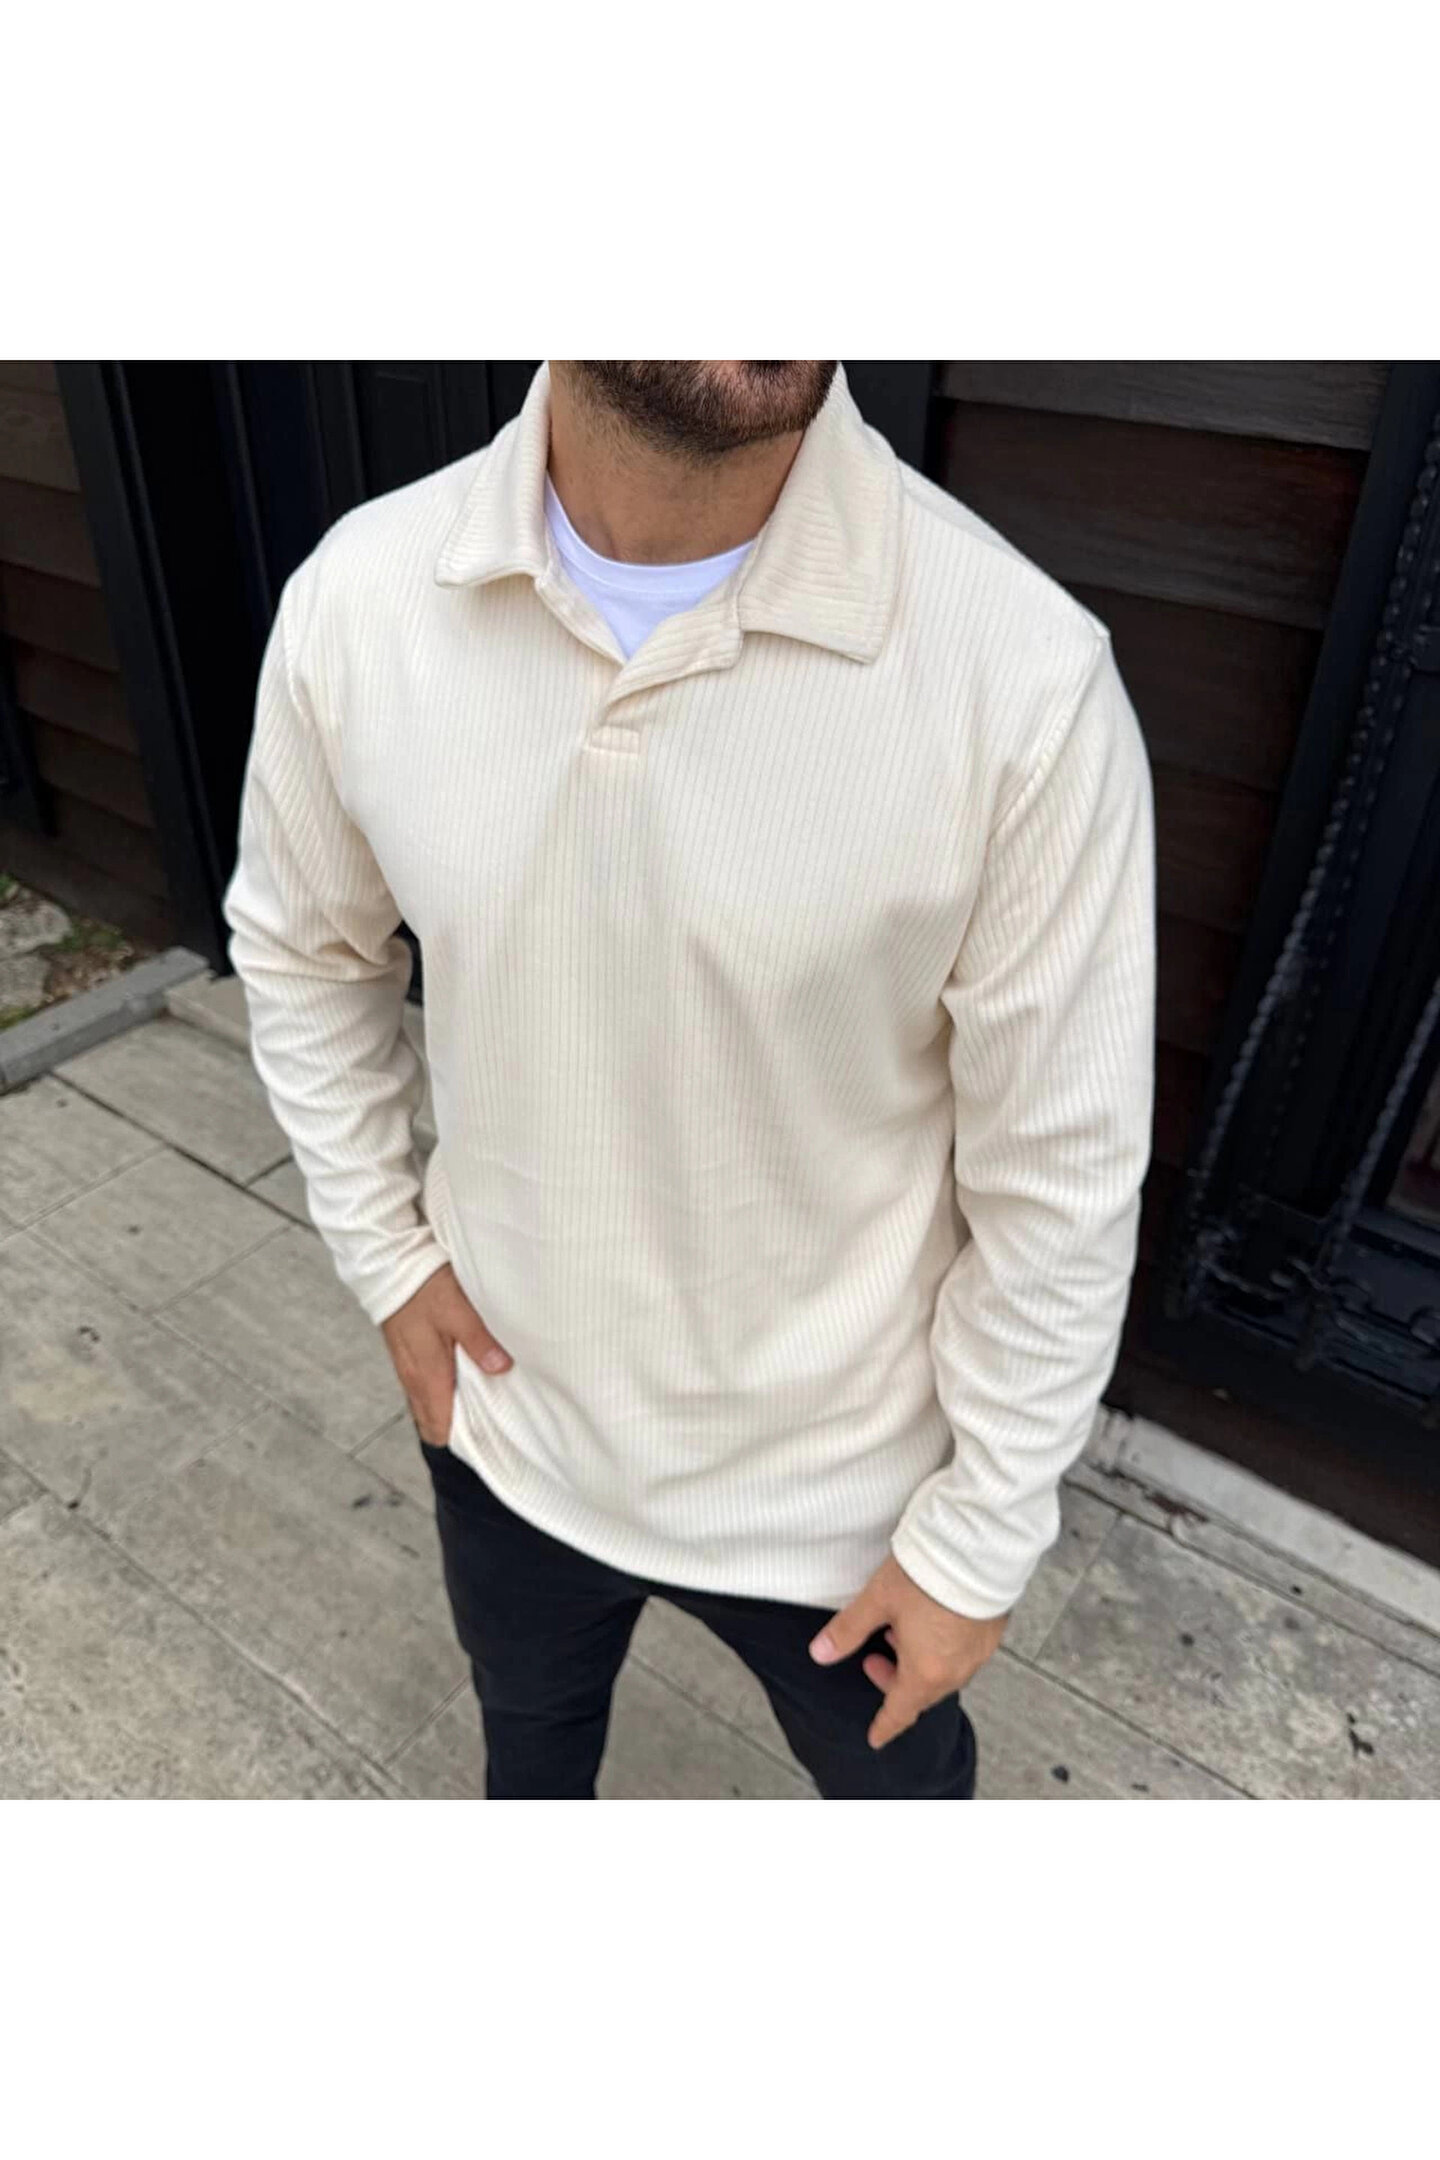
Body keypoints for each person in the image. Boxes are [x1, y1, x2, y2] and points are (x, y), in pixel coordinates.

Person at [223, 360, 1156, 1800]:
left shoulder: (1021, 676)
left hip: (843, 1500)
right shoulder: (362, 598)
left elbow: (1062, 1171)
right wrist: (386, 1257)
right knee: (530, 1757)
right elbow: (301, 946)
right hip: (512, 1425)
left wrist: (980, 1536)